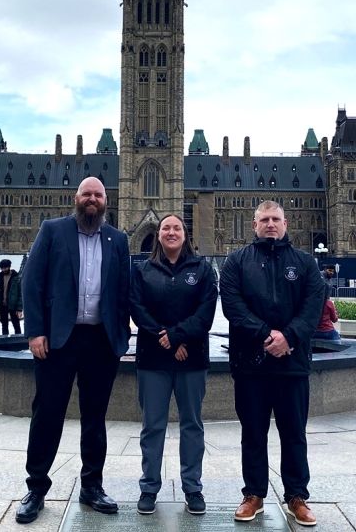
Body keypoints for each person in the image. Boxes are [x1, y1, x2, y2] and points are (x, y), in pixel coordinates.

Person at [15, 176, 130, 525]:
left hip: (100, 340)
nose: (92, 199)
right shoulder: (53, 230)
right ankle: (36, 487)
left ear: (105, 201)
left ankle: (92, 486)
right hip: (58, 339)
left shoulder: (118, 240)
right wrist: (35, 331)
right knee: (48, 413)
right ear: (76, 198)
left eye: (97, 194)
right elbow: (31, 282)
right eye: (86, 194)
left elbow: (125, 290)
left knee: (95, 418)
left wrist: (124, 337)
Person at [219, 200, 324, 527]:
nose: (270, 224)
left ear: (285, 223)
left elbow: (313, 306)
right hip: (251, 364)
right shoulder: (236, 262)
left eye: (275, 219)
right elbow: (232, 306)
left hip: (291, 364)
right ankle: (254, 494)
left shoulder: (305, 263)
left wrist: (288, 338)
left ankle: (297, 496)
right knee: (253, 433)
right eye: (264, 219)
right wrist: (267, 335)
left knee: (294, 433)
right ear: (255, 225)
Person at [129, 214, 217, 516]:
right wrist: (165, 339)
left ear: (185, 233)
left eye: (176, 227)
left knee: (192, 425)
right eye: (166, 227)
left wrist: (178, 337)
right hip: (154, 359)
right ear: (158, 234)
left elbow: (205, 313)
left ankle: (192, 488)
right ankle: (149, 488)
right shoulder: (143, 271)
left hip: (190, 358)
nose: (170, 232)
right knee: (152, 426)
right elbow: (138, 309)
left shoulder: (203, 270)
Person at [0, 259, 22, 335]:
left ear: (9, 267)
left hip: (13, 305)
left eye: (5, 268)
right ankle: (4, 341)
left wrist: (19, 308)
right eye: (2, 268)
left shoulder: (17, 278)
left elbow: (20, 294)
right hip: (2, 305)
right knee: (4, 325)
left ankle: (18, 341)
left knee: (16, 324)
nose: (3, 270)